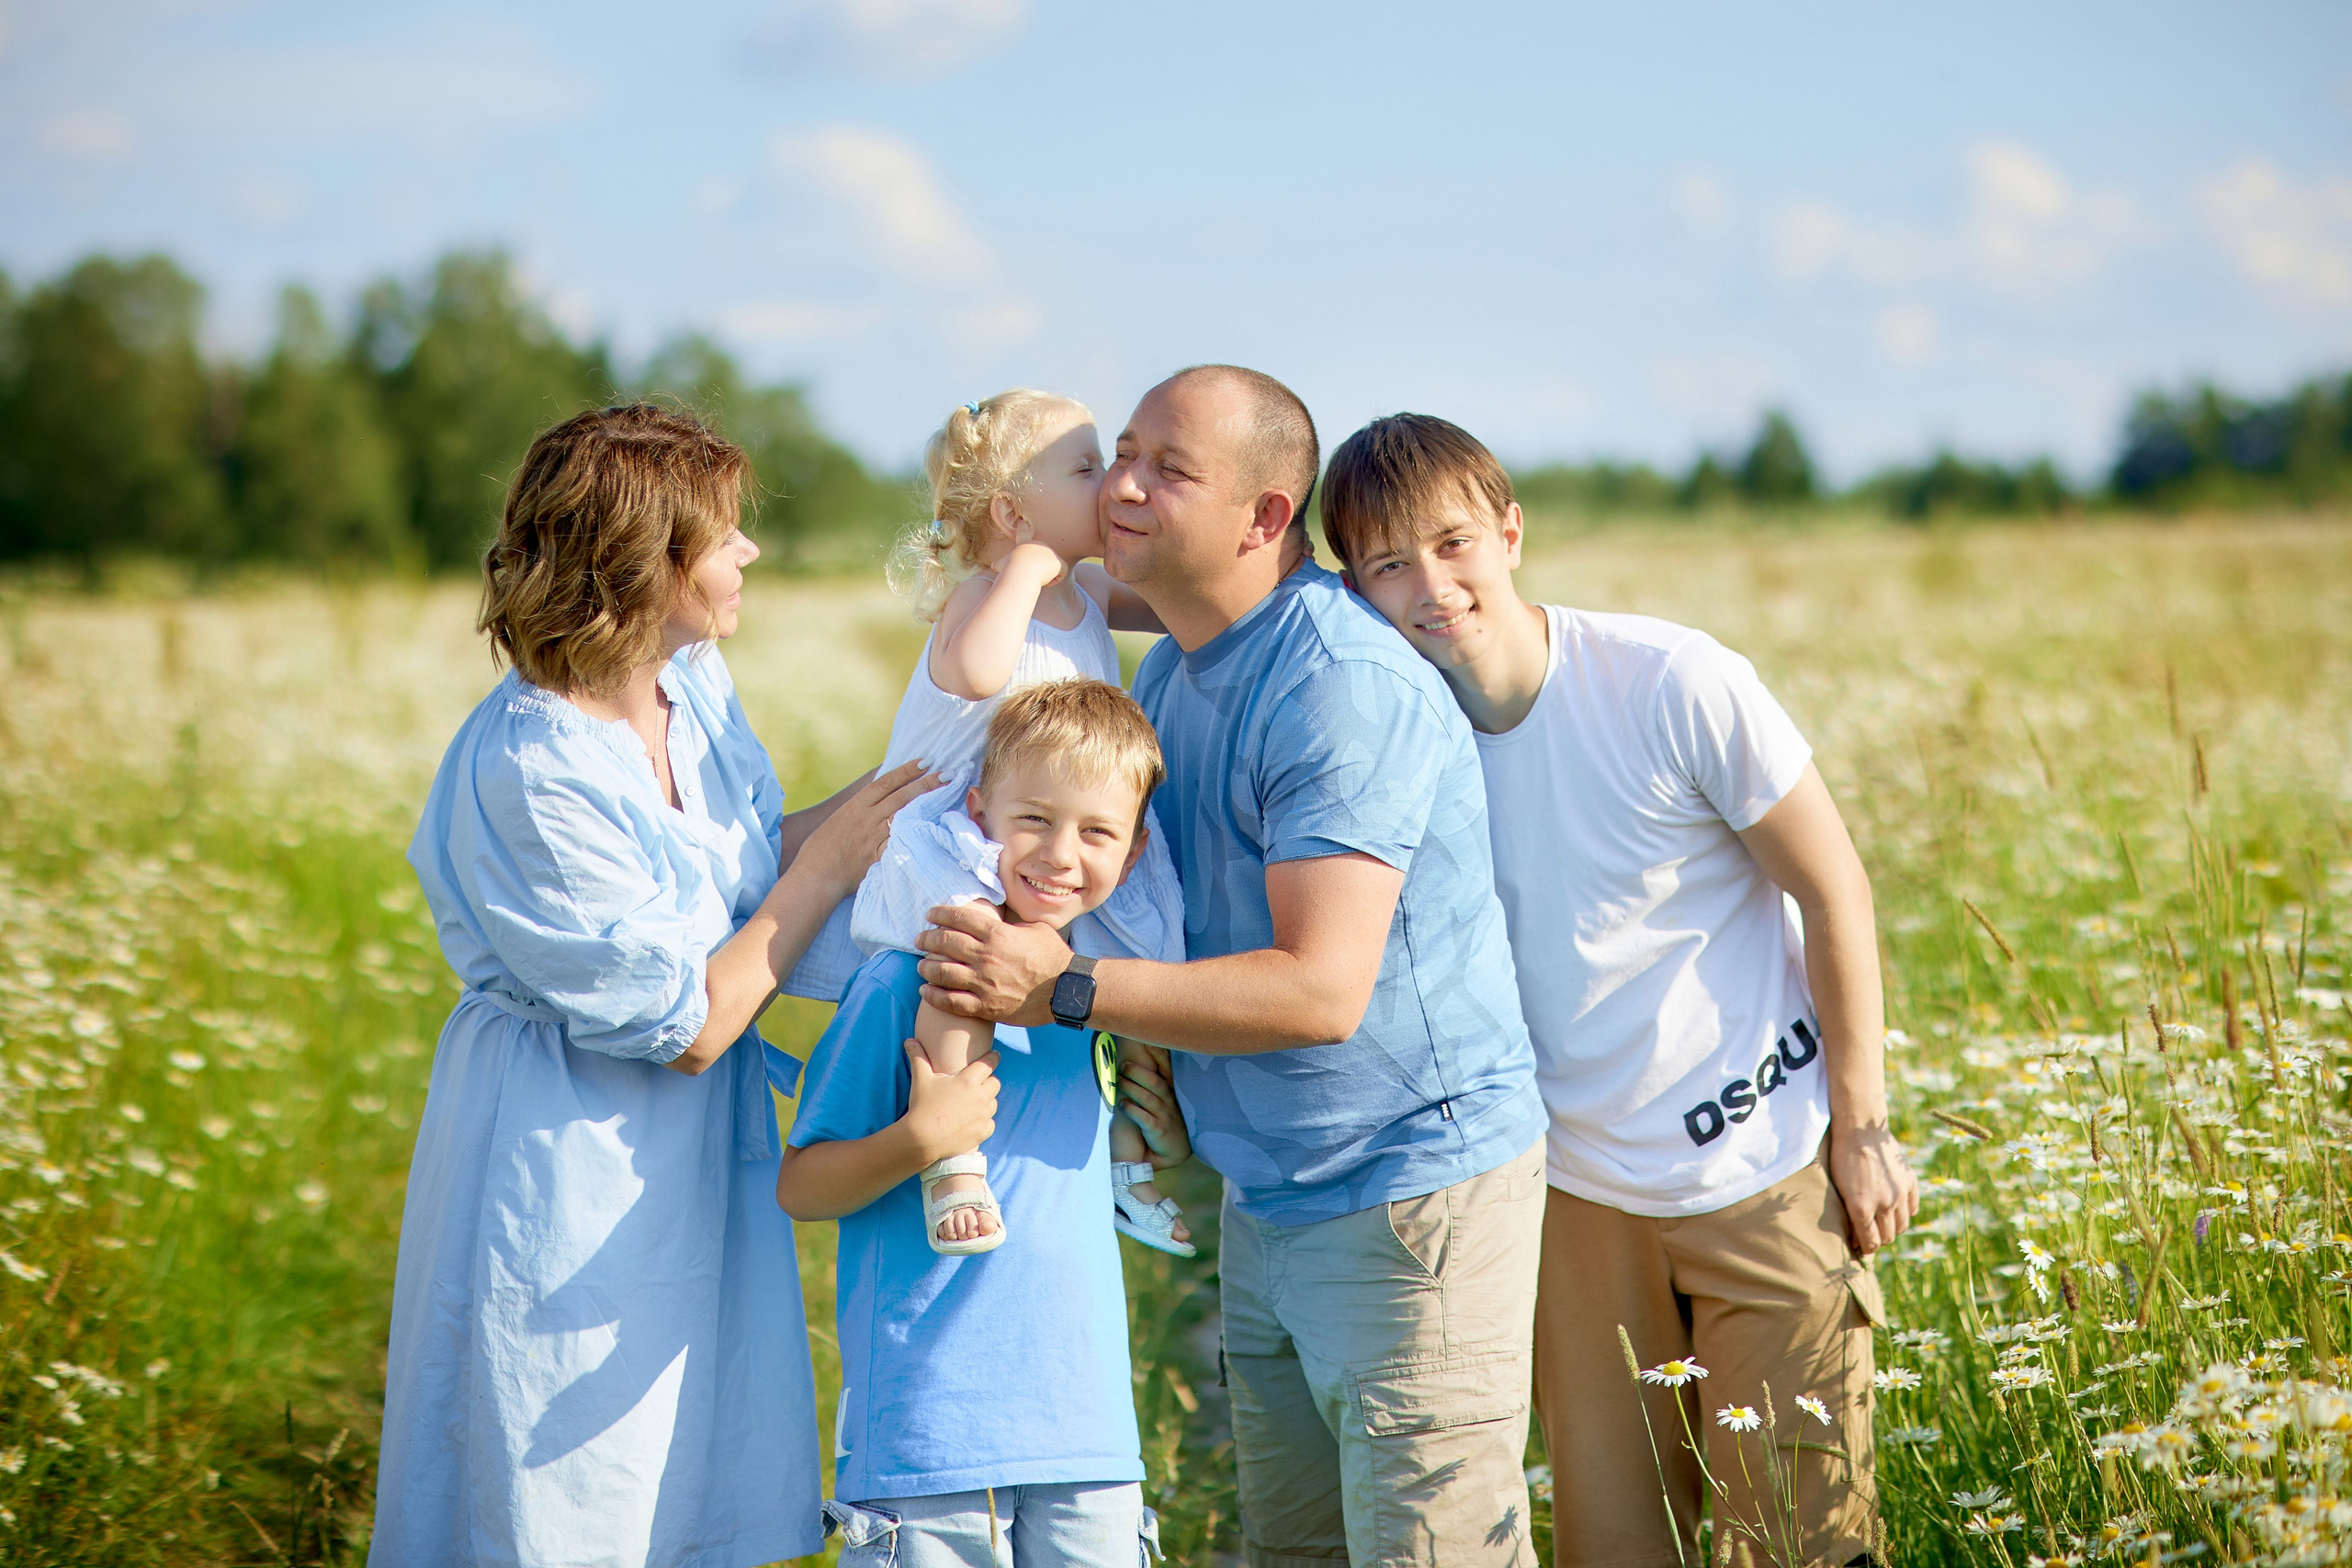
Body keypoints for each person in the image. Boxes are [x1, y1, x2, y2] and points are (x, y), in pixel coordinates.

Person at [917, 367, 1549, 1568]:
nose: (1124, 485)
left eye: (1169, 467)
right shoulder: (1172, 675)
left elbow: (1318, 990)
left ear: (1265, 518)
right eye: (1123, 453)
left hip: (1407, 1196)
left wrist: (1058, 987)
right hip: (1271, 1192)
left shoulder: (1336, 687)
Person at [1320, 412, 1918, 1568]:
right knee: (1615, 1544)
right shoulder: (1397, 743)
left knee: (1802, 1544)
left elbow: (1836, 890)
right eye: (1389, 564)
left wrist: (1863, 1129)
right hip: (1574, 1200)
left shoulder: (1671, 678)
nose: (1432, 587)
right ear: (1356, 588)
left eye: (1453, 544)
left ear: (1510, 531)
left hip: (1769, 1165)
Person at [372, 404, 937, 1568]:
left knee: (692, 1476)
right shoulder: (533, 763)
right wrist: (832, 866)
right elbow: (684, 1020)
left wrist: (933, 784)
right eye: (723, 537)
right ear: (641, 565)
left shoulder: (695, 682)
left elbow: (743, 869)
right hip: (574, 1145)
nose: (749, 555)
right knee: (573, 1475)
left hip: (693, 1149)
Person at [776, 679, 1190, 1568]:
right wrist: (920, 1140)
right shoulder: (905, 981)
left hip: (1086, 1433)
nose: (1059, 855)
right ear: (976, 814)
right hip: (932, 1435)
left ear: (1135, 848)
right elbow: (803, 1184)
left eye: (1096, 832)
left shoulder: (1099, 1001)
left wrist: (1157, 1138)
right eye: (1032, 820)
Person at [790, 389, 1192, 1255]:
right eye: (1088, 468)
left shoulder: (1085, 591)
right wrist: (1021, 570)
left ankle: (1130, 1148)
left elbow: (1179, 601)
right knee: (965, 958)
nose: (1114, 482)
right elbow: (976, 673)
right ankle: (954, 1152)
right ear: (1014, 512)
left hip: (1046, 834)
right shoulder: (983, 593)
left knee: (1148, 947)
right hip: (955, 834)